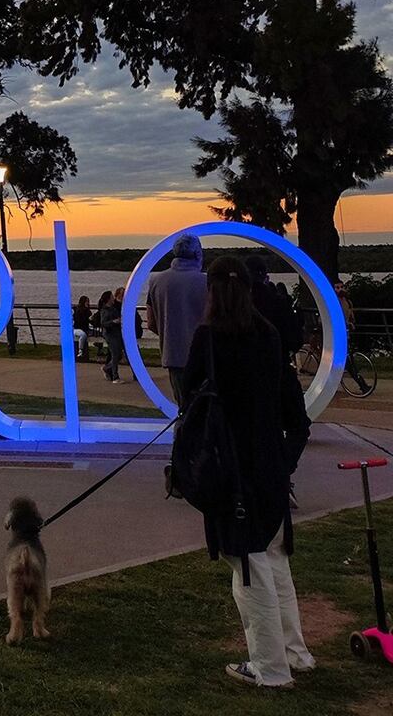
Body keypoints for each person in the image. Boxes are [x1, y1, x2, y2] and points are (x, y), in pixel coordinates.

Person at [181, 256, 315, 688]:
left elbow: (192, 405)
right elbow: (293, 411)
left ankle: (271, 667)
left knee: (248, 570)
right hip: (269, 464)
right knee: (274, 561)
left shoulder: (209, 339)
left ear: (213, 290)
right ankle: (295, 654)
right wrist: (284, 458)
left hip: (231, 470)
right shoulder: (270, 336)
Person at [146, 233, 207, 409]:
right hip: (204, 359)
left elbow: (150, 322)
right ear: (198, 254)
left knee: (184, 409)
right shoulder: (208, 282)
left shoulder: (156, 281)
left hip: (173, 356)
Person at [98, 289, 123, 383]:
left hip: (116, 333)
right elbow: (103, 323)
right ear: (108, 299)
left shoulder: (113, 309)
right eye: (112, 297)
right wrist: (114, 322)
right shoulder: (104, 310)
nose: (113, 298)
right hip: (110, 334)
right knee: (115, 354)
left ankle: (107, 368)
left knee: (119, 355)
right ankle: (115, 377)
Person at [72, 295, 93, 361]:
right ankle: (81, 351)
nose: (88, 303)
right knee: (83, 335)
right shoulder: (81, 311)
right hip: (78, 329)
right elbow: (81, 321)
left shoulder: (86, 311)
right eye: (86, 301)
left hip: (82, 329)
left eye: (88, 301)